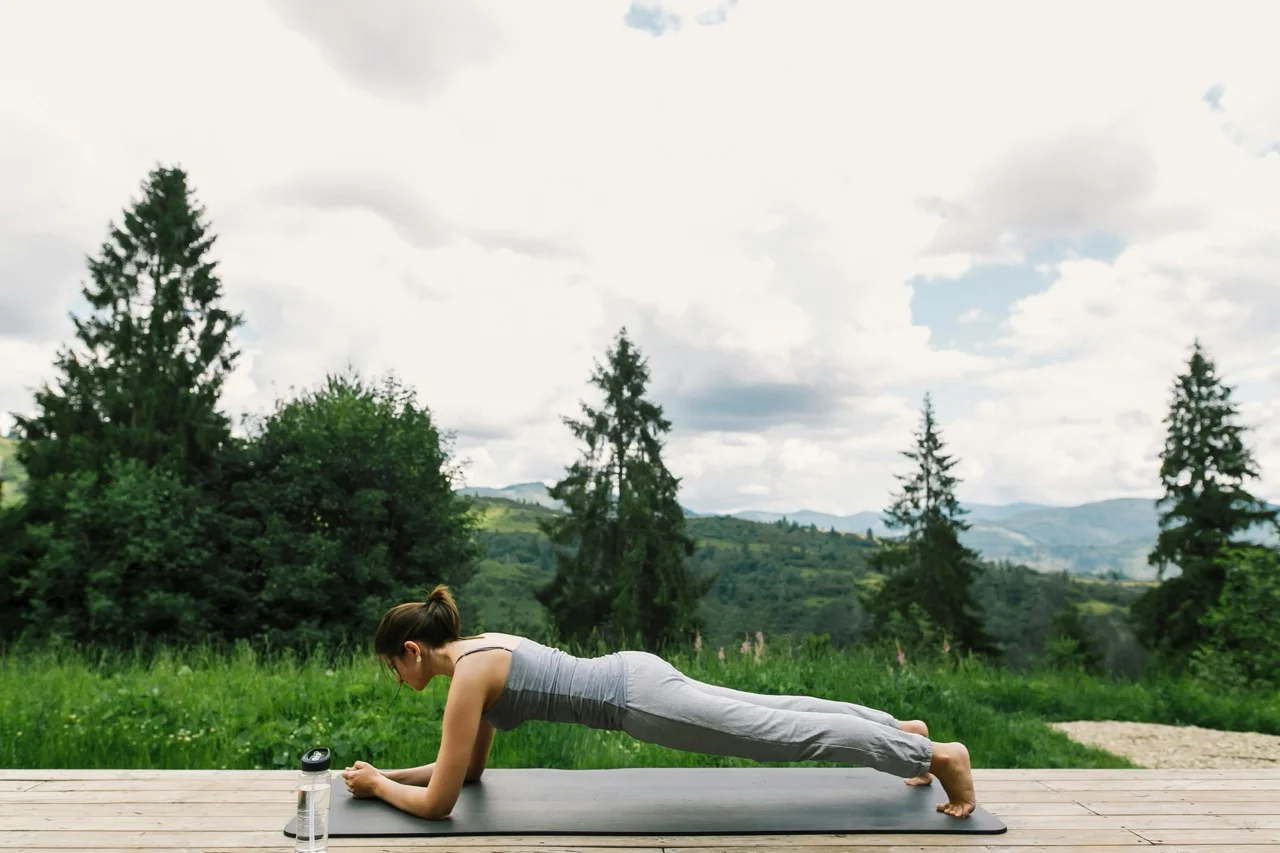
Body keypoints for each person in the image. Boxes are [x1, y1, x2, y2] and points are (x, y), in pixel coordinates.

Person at [341, 585, 977, 821]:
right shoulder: (480, 650)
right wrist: (383, 776)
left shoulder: (466, 682)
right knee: (775, 706)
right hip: (634, 673)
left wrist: (378, 790)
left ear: (415, 649)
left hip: (636, 701)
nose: (396, 677)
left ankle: (938, 756)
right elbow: (467, 771)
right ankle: (902, 733)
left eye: (393, 663)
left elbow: (440, 803)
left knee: (778, 735)